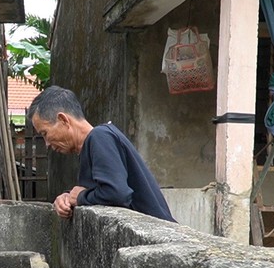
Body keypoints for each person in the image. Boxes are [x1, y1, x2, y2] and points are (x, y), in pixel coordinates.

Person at [27, 86, 175, 222]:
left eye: (45, 133)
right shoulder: (92, 144)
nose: (47, 143)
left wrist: (80, 197)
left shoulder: (99, 137)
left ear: (63, 120)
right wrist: (67, 197)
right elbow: (98, 189)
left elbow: (117, 193)